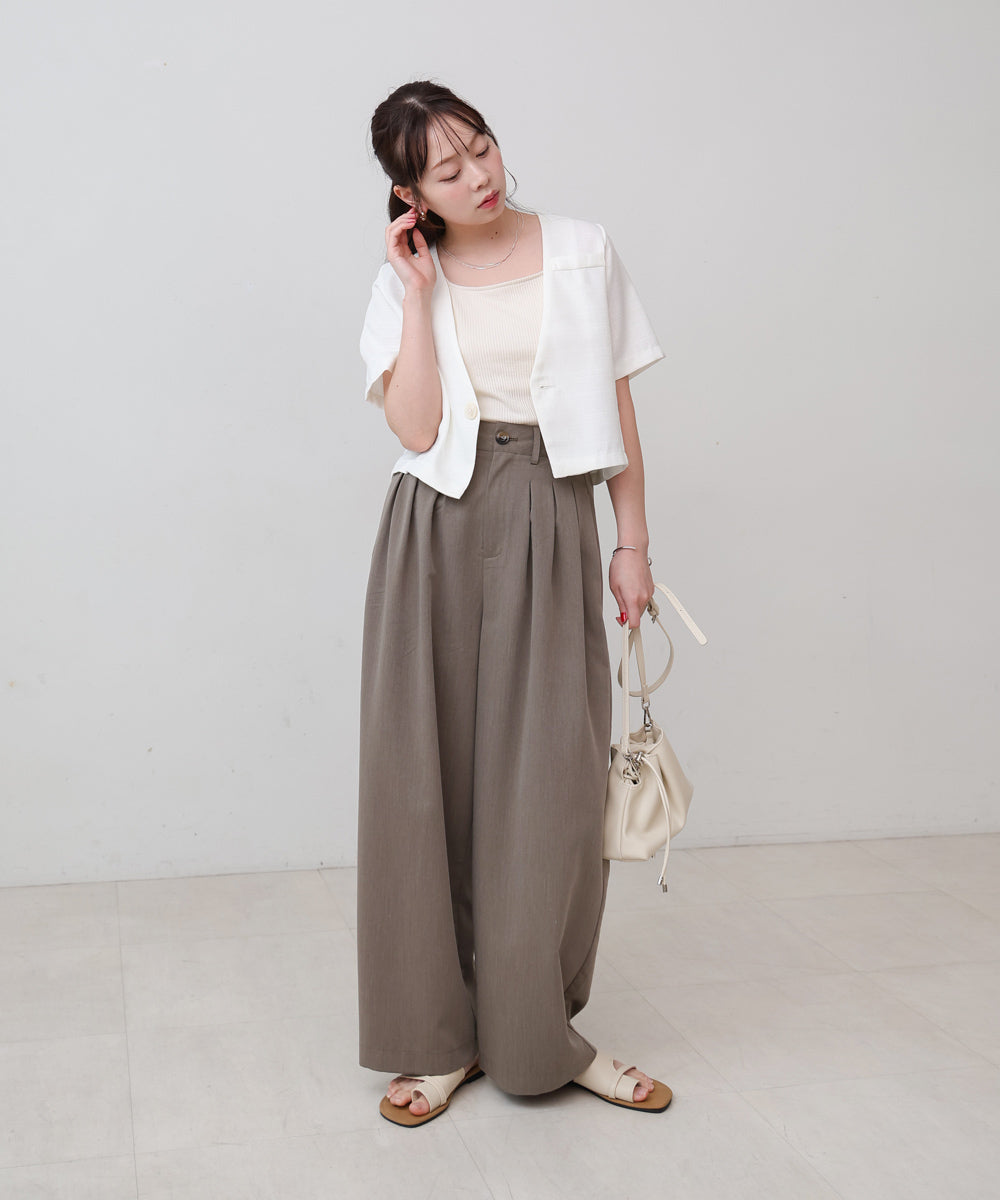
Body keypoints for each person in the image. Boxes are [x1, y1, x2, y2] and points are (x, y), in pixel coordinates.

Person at [357, 79, 672, 1126]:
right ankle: (437, 1040)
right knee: (423, 783)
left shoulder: (582, 250)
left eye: (482, 148)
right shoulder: (404, 280)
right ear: (411, 195)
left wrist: (631, 543)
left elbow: (618, 405)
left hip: (551, 512)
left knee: (548, 787)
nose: (479, 177)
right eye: (447, 172)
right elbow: (415, 429)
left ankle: (539, 1035)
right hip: (434, 527)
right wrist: (416, 295)